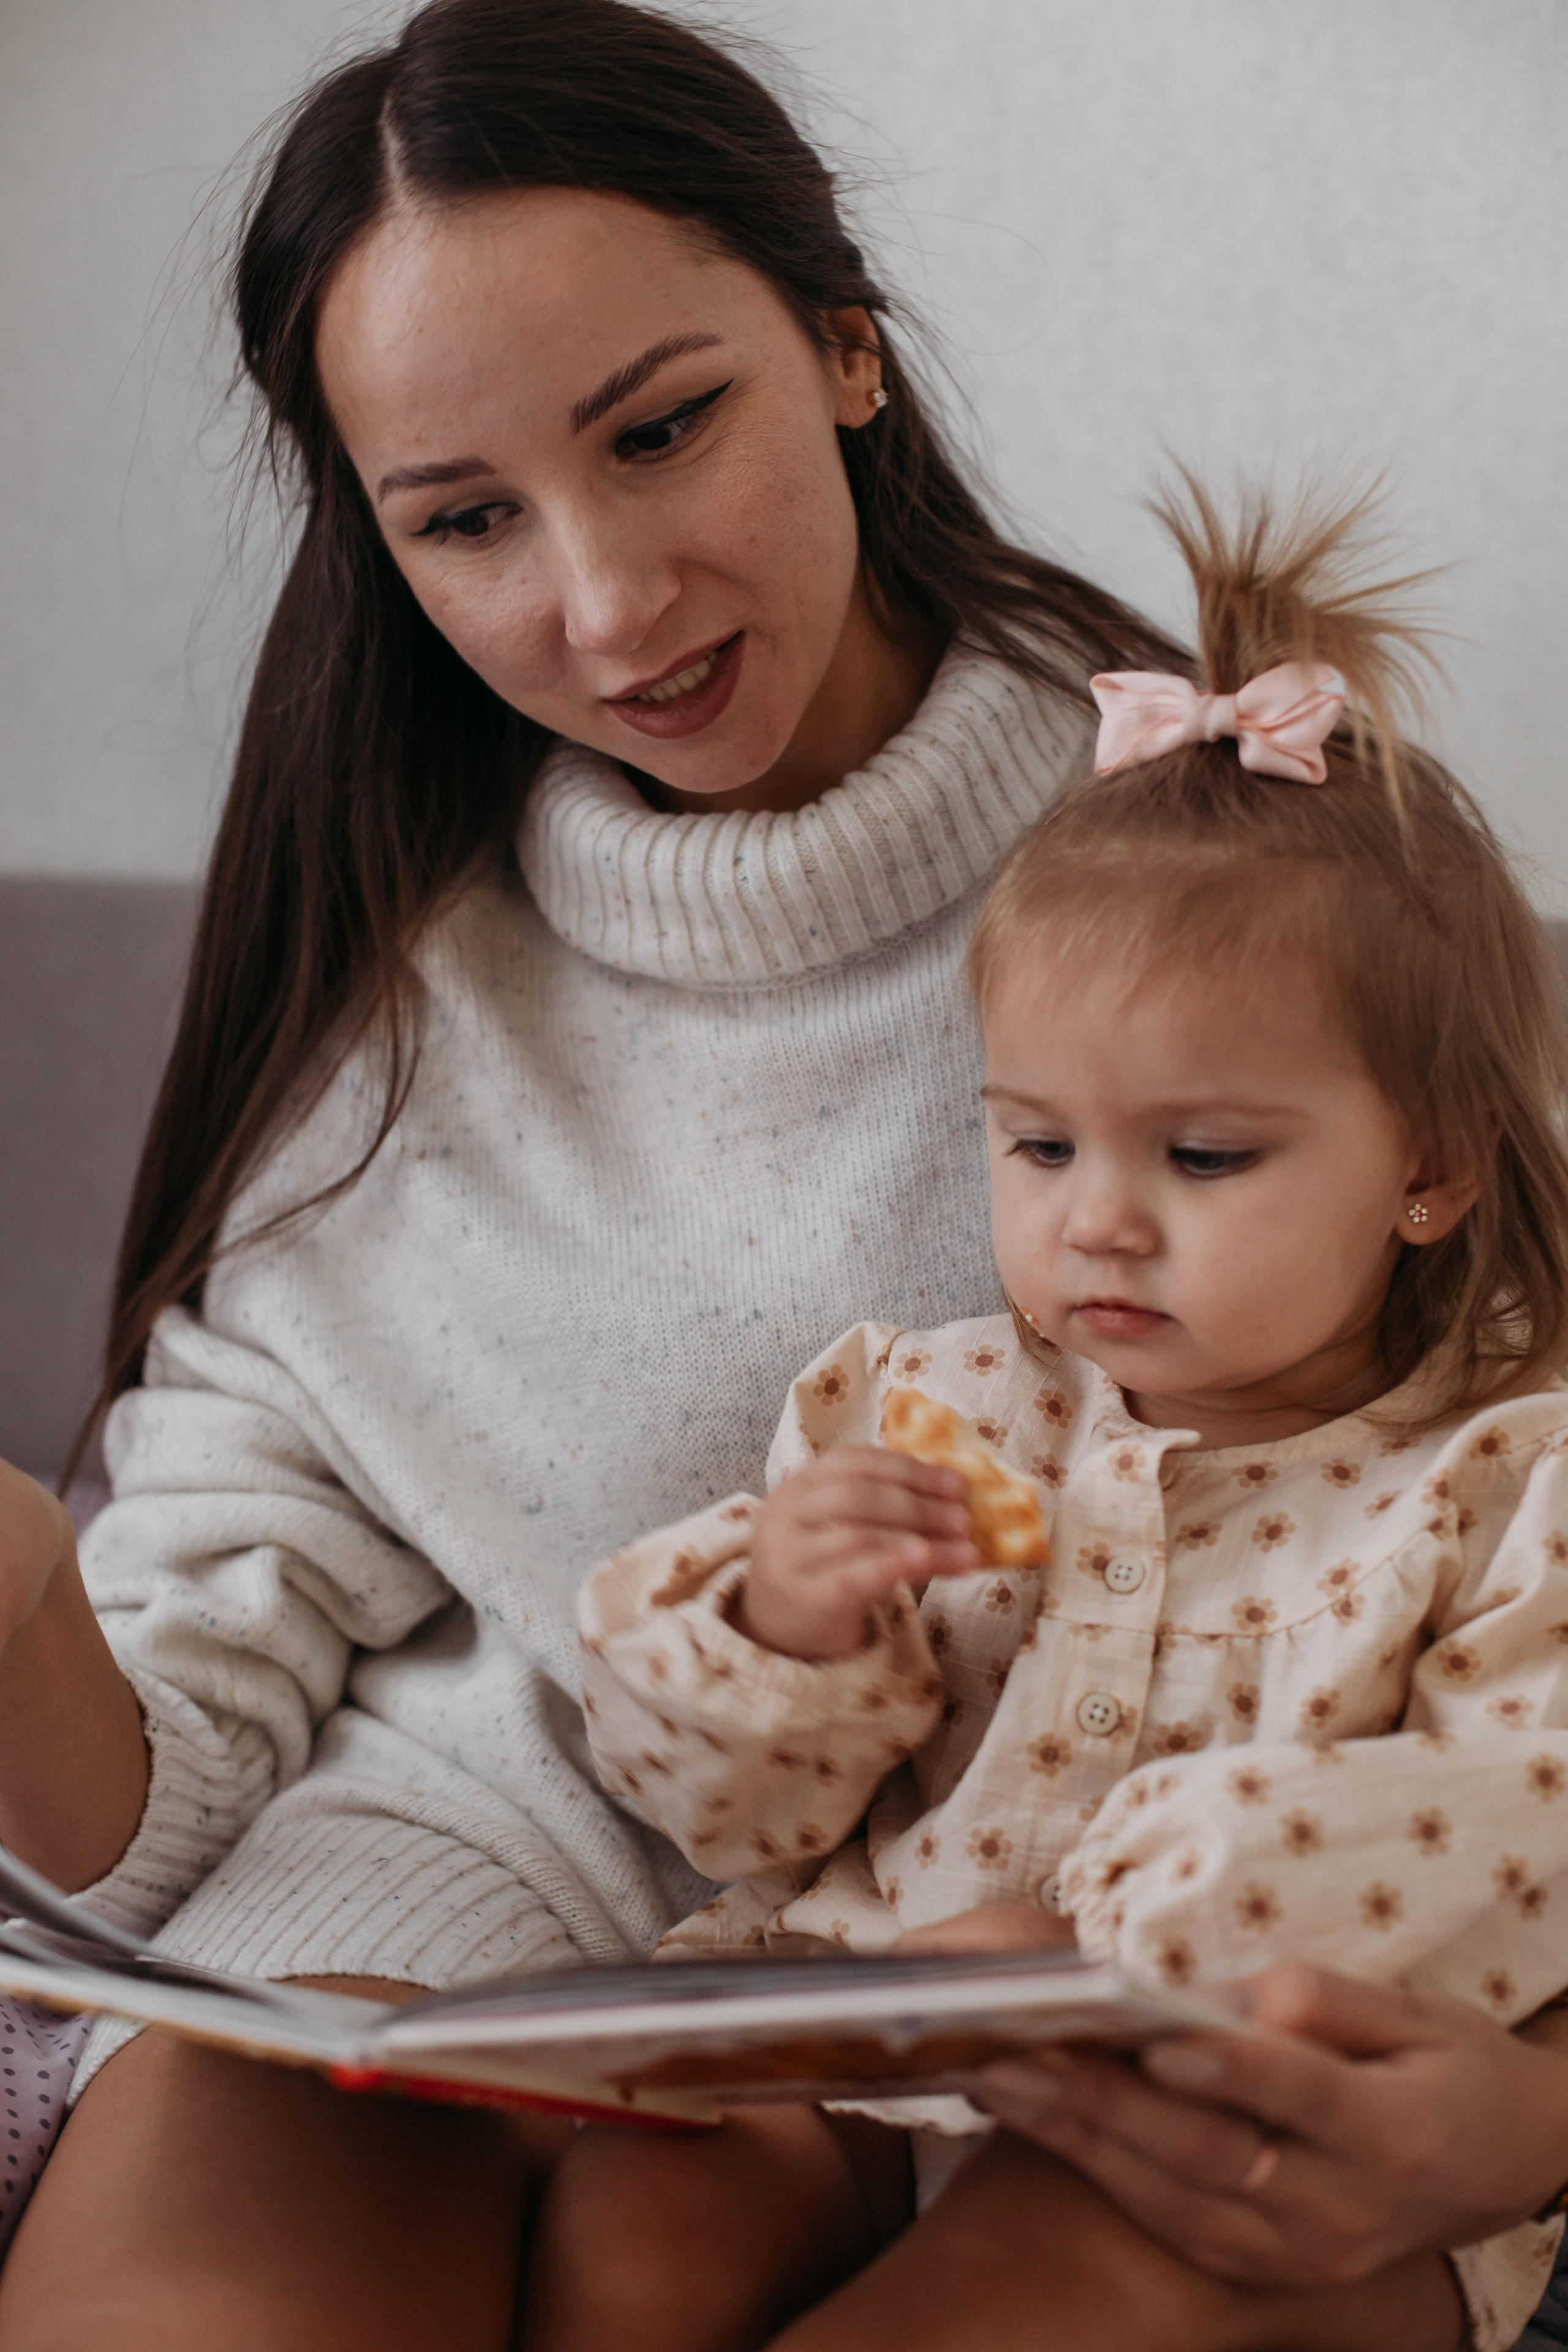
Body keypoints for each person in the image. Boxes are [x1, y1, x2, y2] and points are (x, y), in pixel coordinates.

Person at [0, 1, 1564, 2342]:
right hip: (428, 1916)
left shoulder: (1240, 853)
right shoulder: (385, 964)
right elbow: (180, 1756)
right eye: (466, 520)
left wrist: (1526, 2120)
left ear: (845, 346)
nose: (611, 605)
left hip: (1100, 1983)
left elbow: (1514, 1605)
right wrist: (30, 1620)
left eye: (664, 429)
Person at [542, 481, 1568, 2352]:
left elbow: (1528, 1843)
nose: (1094, 1215)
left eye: (1201, 1153)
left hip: (1241, 2147)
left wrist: (1106, 1952)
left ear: (1429, 1168)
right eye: (1036, 1142)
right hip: (856, 2050)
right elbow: (739, 1818)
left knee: (1028, 2287)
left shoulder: (1508, 1483)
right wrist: (781, 1625)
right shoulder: (932, 1409)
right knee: (640, 2211)